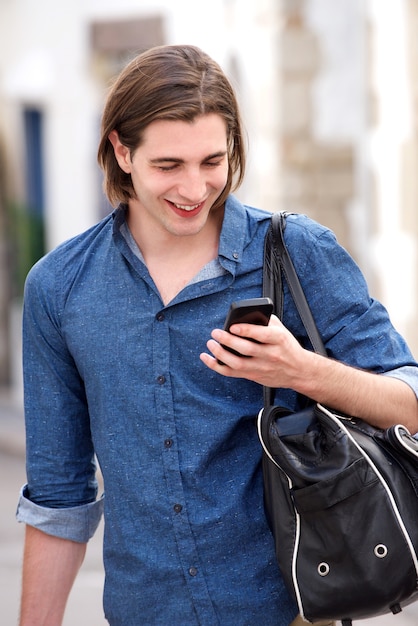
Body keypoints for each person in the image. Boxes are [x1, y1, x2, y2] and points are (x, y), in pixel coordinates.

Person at [16, 44, 418, 626]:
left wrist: (303, 371)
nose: (195, 188)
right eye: (168, 166)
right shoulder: (60, 289)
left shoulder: (295, 252)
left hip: (292, 611)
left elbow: (408, 401)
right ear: (121, 151)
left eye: (213, 160)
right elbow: (59, 498)